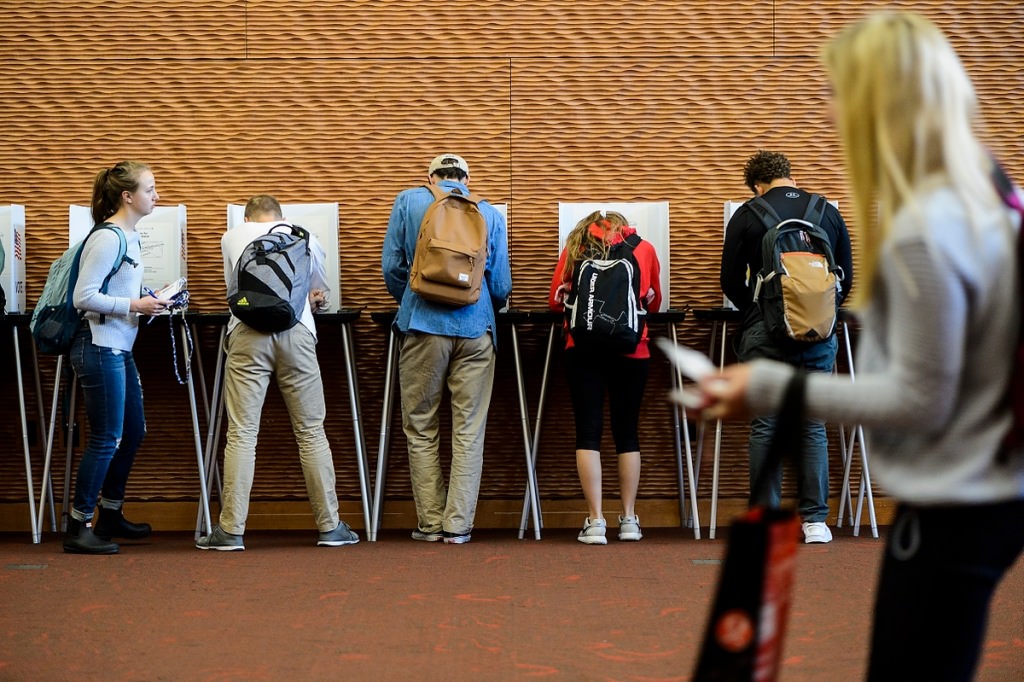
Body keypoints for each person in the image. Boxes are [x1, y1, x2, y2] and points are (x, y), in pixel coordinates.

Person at [700, 12, 1024, 681]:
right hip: (1003, 483)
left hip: (954, 499)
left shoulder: (924, 226)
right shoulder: (996, 195)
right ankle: (816, 516)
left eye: (842, 95)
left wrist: (758, 386)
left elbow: (920, 397)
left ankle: (782, 508)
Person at [197, 194, 359, 550]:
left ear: (247, 217)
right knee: (311, 432)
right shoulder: (305, 237)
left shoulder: (232, 236)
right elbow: (318, 292)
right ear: (280, 216)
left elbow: (235, 292)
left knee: (241, 433)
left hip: (246, 335)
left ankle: (230, 530)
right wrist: (313, 301)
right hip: (297, 333)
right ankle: (330, 526)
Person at [720, 149, 854, 544]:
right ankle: (815, 522)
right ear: (789, 176)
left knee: (767, 424)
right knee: (812, 425)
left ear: (757, 184)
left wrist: (761, 311)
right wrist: (817, 317)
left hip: (766, 333)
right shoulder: (825, 211)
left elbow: (730, 280)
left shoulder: (748, 213)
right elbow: (844, 276)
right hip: (819, 333)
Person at [381, 153, 512, 544]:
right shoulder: (488, 213)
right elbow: (501, 284)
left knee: (421, 426)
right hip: (476, 329)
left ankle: (431, 523)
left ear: (431, 177)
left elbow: (392, 266)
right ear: (467, 180)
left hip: (422, 326)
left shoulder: (409, 200)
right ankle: (458, 526)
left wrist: (414, 297)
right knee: (469, 429)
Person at [64, 161, 168, 554]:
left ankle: (109, 515)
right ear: (128, 196)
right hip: (98, 345)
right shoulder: (108, 238)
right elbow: (83, 297)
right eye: (150, 189)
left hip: (118, 348)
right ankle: (78, 526)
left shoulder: (130, 236)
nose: (156, 196)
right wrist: (135, 305)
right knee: (107, 437)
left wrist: (151, 299)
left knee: (133, 431)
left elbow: (121, 290)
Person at [548, 210, 662, 544]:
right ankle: (629, 519)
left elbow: (556, 301)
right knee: (627, 431)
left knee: (588, 432)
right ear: (624, 226)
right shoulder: (643, 247)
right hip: (633, 349)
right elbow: (653, 301)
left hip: (582, 348)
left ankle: (595, 521)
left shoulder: (575, 248)